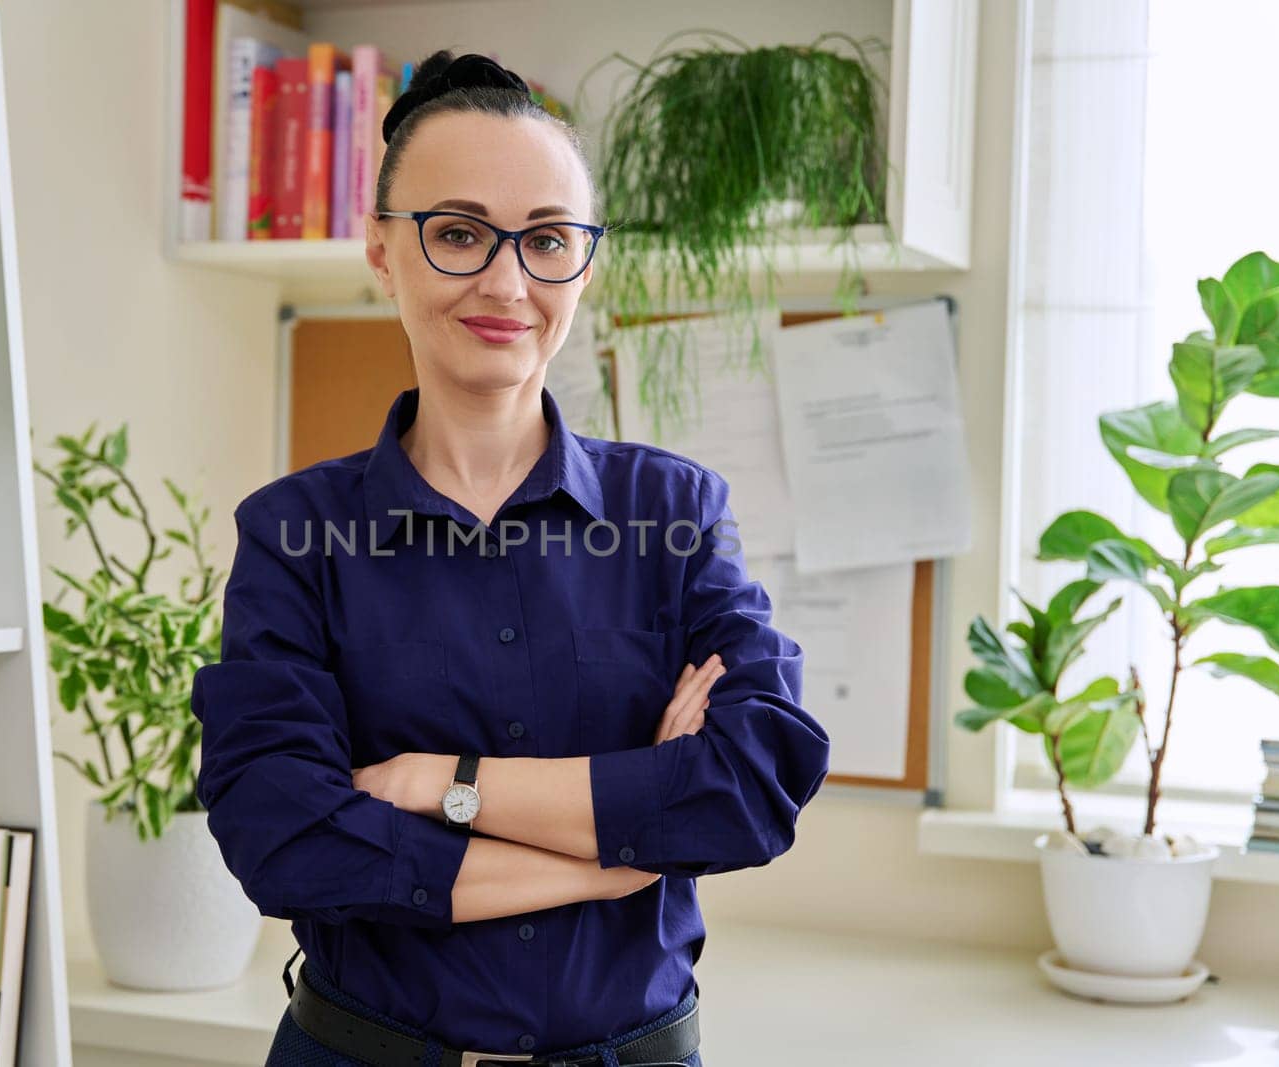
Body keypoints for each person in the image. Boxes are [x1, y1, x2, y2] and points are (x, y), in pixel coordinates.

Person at [189, 48, 831, 1067]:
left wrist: (441, 782)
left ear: (585, 257)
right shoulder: (293, 534)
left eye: (546, 240)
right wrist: (617, 858)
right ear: (381, 249)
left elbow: (757, 779)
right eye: (457, 233)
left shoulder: (675, 512)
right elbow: (283, 838)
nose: (506, 281)